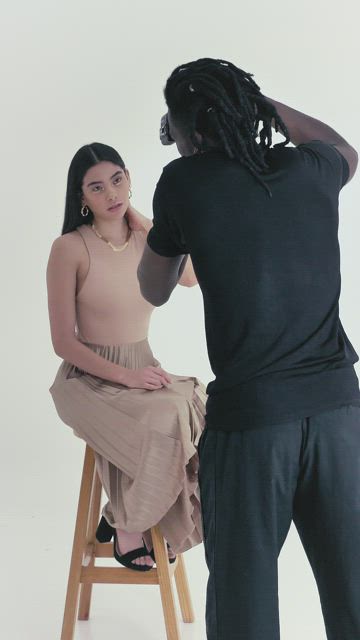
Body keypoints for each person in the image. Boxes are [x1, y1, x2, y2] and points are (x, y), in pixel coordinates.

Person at [137, 58, 360, 637]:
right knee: (353, 592)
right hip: (339, 413)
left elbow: (154, 288)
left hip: (253, 425)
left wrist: (188, 199)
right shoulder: (309, 167)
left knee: (244, 605)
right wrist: (261, 109)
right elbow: (346, 151)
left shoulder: (183, 182)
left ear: (188, 132)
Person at [47, 142, 206, 571]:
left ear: (129, 179)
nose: (111, 194)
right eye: (96, 188)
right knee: (166, 416)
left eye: (117, 180)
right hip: (88, 378)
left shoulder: (145, 239)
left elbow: (191, 278)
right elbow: (63, 342)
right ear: (81, 198)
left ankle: (118, 516)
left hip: (143, 367)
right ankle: (130, 528)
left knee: (201, 408)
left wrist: (149, 226)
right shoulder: (69, 249)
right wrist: (128, 378)